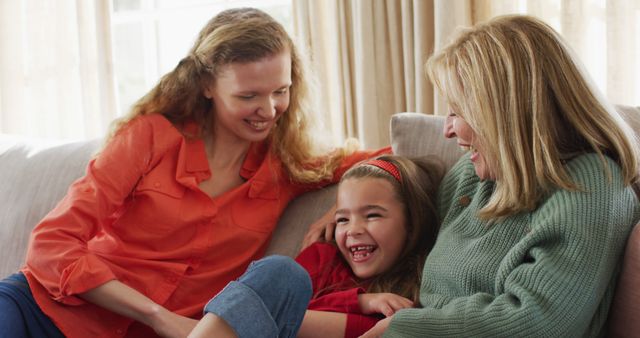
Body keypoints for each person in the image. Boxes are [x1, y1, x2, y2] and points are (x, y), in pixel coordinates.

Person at [0, 7, 388, 338]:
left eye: (280, 91)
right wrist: (159, 317)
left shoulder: (287, 163)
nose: (269, 110)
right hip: (42, 312)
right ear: (206, 86)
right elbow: (51, 244)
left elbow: (393, 156)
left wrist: (342, 205)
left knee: (282, 274)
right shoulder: (149, 136)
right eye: (248, 96)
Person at [359, 15, 640, 337]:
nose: (448, 130)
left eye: (457, 112)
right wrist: (347, 213)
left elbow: (535, 323)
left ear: (505, 112)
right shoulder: (475, 174)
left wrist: (402, 327)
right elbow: (410, 230)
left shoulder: (591, 188)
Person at [187, 155, 444, 338]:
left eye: (372, 215)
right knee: (280, 271)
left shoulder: (423, 279)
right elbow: (278, 312)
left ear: (411, 221)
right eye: (342, 218)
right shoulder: (322, 258)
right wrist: (360, 302)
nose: (353, 229)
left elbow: (281, 317)